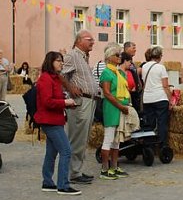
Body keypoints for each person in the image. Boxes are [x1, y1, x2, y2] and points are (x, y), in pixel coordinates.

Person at [35, 51, 81, 195]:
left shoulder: (55, 78)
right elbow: (47, 102)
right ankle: (63, 185)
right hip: (50, 121)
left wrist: (67, 104)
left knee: (51, 152)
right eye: (58, 61)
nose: (61, 63)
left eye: (62, 60)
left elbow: (55, 99)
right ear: (50, 62)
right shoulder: (45, 79)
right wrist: (64, 102)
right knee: (66, 151)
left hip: (55, 119)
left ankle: (47, 182)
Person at [61, 31, 98, 185]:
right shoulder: (72, 56)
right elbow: (59, 74)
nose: (93, 42)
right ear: (79, 41)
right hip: (80, 102)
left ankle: (77, 170)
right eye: (89, 39)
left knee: (83, 138)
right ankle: (73, 173)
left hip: (89, 101)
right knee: (76, 138)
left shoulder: (83, 57)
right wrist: (70, 87)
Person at [99, 44, 131, 180]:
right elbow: (107, 93)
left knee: (116, 140)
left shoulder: (118, 72)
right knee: (109, 138)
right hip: (112, 107)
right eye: (117, 55)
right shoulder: (106, 72)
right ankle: (104, 169)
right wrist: (120, 105)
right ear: (109, 57)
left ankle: (114, 166)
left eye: (120, 55)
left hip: (120, 107)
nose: (119, 57)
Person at [141, 46, 172, 150]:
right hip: (160, 97)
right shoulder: (161, 67)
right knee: (162, 123)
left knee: (149, 123)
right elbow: (165, 85)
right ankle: (163, 145)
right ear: (159, 56)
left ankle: (149, 145)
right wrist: (170, 99)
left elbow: (144, 83)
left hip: (147, 98)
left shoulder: (144, 67)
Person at [123, 41, 142, 113]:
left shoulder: (131, 61)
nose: (135, 50)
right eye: (133, 48)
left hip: (134, 92)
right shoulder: (124, 61)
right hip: (129, 93)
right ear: (127, 48)